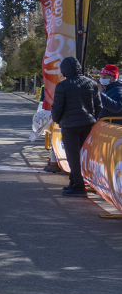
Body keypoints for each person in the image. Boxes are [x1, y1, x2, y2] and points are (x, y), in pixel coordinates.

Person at [51, 56, 102, 198]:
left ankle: (79, 187)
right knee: (80, 155)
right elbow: (99, 105)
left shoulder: (62, 86)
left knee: (72, 156)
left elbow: (57, 107)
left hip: (70, 125)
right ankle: (73, 183)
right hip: (87, 124)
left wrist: (57, 119)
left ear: (65, 70)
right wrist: (93, 118)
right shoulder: (91, 83)